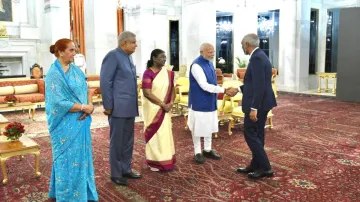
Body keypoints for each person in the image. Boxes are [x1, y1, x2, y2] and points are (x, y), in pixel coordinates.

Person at [45, 38, 98, 201]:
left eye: (75, 50)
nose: (74, 54)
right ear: (60, 52)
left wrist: (89, 106)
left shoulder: (76, 70)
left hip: (80, 122)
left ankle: (83, 193)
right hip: (63, 124)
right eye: (71, 50)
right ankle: (66, 195)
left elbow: (85, 89)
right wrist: (83, 107)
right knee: (65, 159)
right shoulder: (53, 74)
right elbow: (57, 101)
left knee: (82, 158)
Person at [230, 33, 277, 179]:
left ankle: (265, 167)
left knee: (250, 133)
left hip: (259, 104)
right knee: (258, 135)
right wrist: (238, 89)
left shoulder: (256, 58)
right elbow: (253, 84)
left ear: (247, 45)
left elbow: (259, 86)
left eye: (242, 45)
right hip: (264, 102)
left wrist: (254, 108)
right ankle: (256, 164)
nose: (242, 47)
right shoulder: (262, 55)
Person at [100, 31, 141, 186]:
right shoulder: (113, 56)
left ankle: (126, 169)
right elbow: (105, 82)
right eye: (133, 42)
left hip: (129, 107)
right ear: (124, 43)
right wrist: (108, 106)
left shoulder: (128, 57)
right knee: (117, 141)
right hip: (117, 108)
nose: (135, 45)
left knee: (128, 140)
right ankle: (116, 173)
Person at [187, 43, 234, 164]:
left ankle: (207, 149)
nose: (212, 54)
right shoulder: (196, 65)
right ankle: (197, 151)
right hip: (199, 102)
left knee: (208, 126)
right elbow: (204, 85)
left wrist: (221, 88)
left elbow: (213, 82)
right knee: (197, 128)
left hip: (210, 101)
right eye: (209, 52)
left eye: (213, 52)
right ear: (201, 52)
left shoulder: (210, 63)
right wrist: (223, 90)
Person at [141, 49, 176, 171]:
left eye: (165, 57)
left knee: (165, 134)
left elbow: (172, 89)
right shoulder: (148, 73)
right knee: (155, 134)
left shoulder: (168, 73)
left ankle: (166, 160)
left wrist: (170, 103)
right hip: (153, 109)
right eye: (162, 57)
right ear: (154, 58)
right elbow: (147, 93)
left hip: (165, 109)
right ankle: (154, 162)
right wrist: (162, 104)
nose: (164, 59)